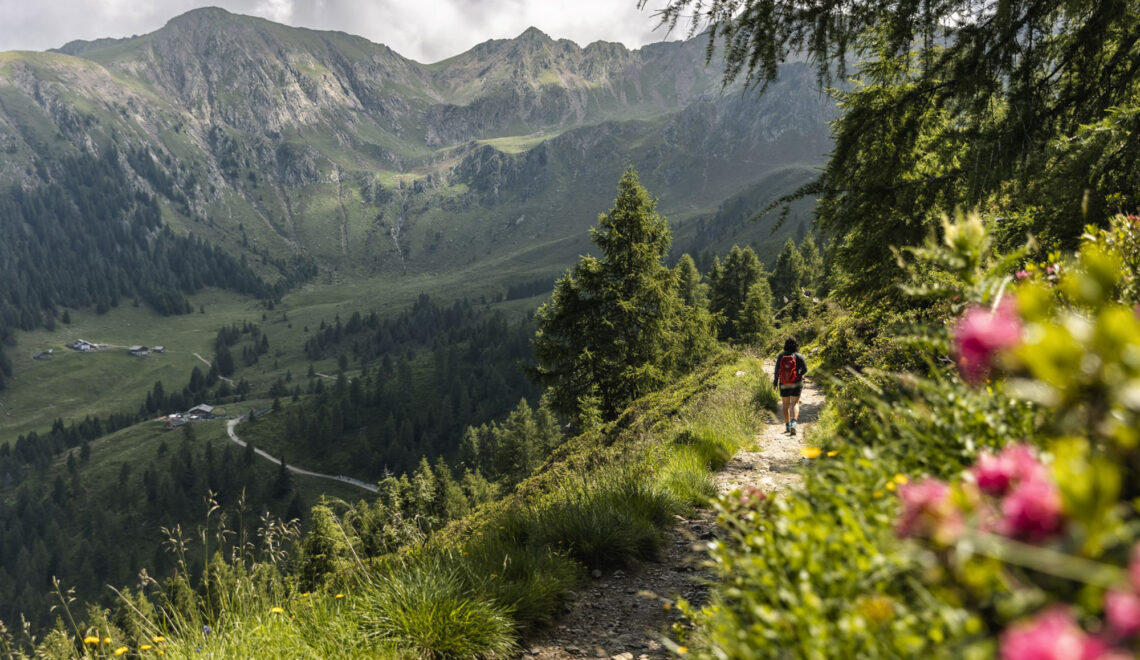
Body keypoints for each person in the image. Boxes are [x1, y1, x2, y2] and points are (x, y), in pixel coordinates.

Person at [773, 337, 808, 435]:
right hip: (796, 382)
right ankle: (794, 423)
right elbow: (805, 369)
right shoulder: (799, 356)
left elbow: (776, 371)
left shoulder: (781, 356)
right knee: (795, 404)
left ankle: (787, 426)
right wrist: (798, 374)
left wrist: (775, 383)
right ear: (796, 345)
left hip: (783, 383)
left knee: (785, 405)